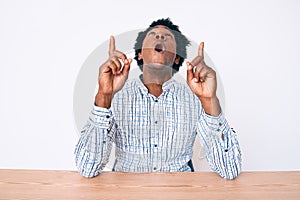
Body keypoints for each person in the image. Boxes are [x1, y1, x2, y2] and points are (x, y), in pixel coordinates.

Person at [74, 18, 241, 179]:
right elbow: (88, 168)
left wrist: (209, 99)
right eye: (152, 34)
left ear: (176, 57)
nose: (160, 37)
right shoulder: (115, 97)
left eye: (168, 36)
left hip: (179, 192)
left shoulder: (195, 98)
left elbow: (229, 169)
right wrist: (104, 95)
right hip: (126, 193)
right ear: (139, 54)